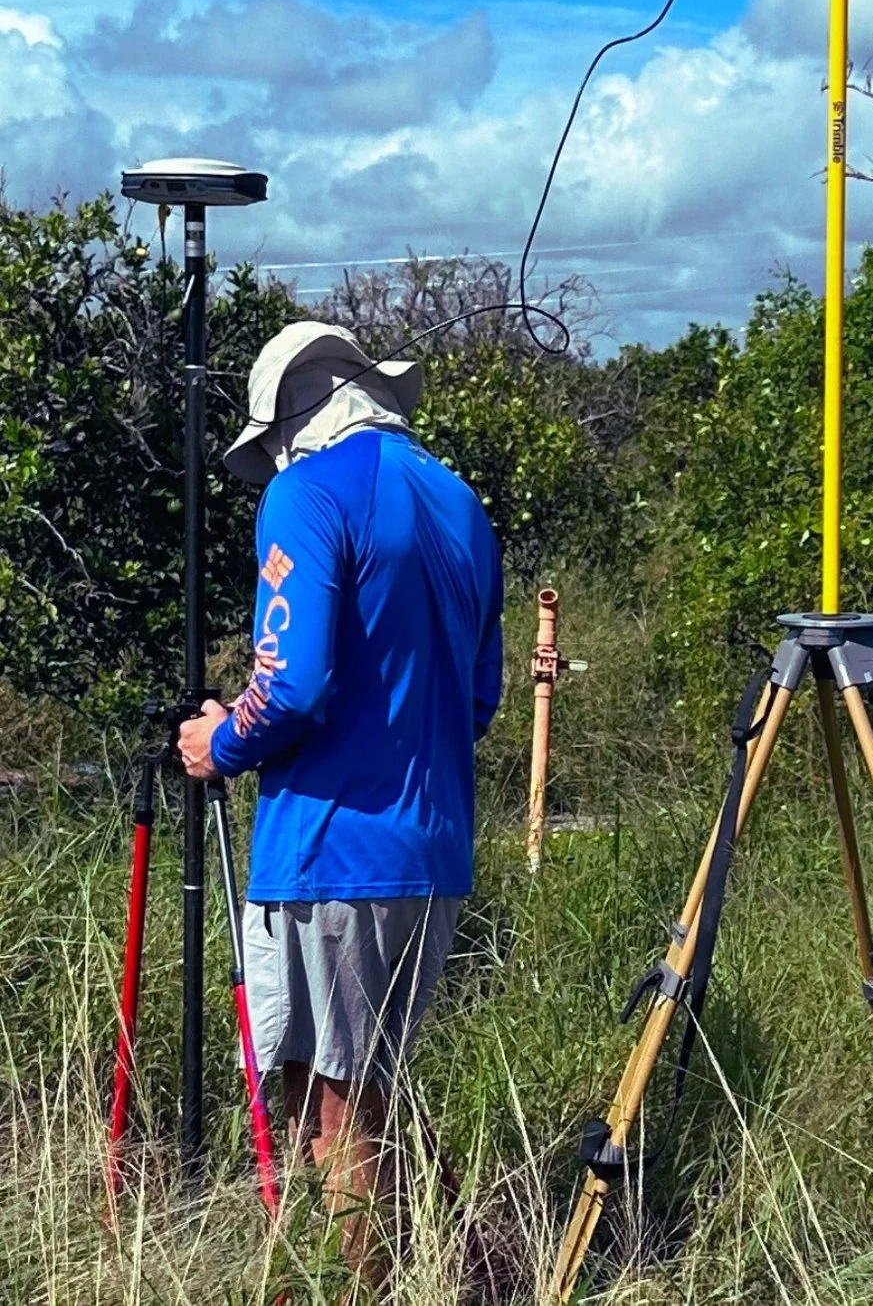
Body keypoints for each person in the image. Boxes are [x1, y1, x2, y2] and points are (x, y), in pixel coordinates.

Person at [178, 320, 503, 1287]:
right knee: (352, 1087)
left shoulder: (304, 493)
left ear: (290, 422)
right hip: (432, 849)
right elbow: (478, 701)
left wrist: (219, 742)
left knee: (339, 1108)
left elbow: (292, 684)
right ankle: (394, 1269)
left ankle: (356, 1283)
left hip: (331, 846)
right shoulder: (460, 506)